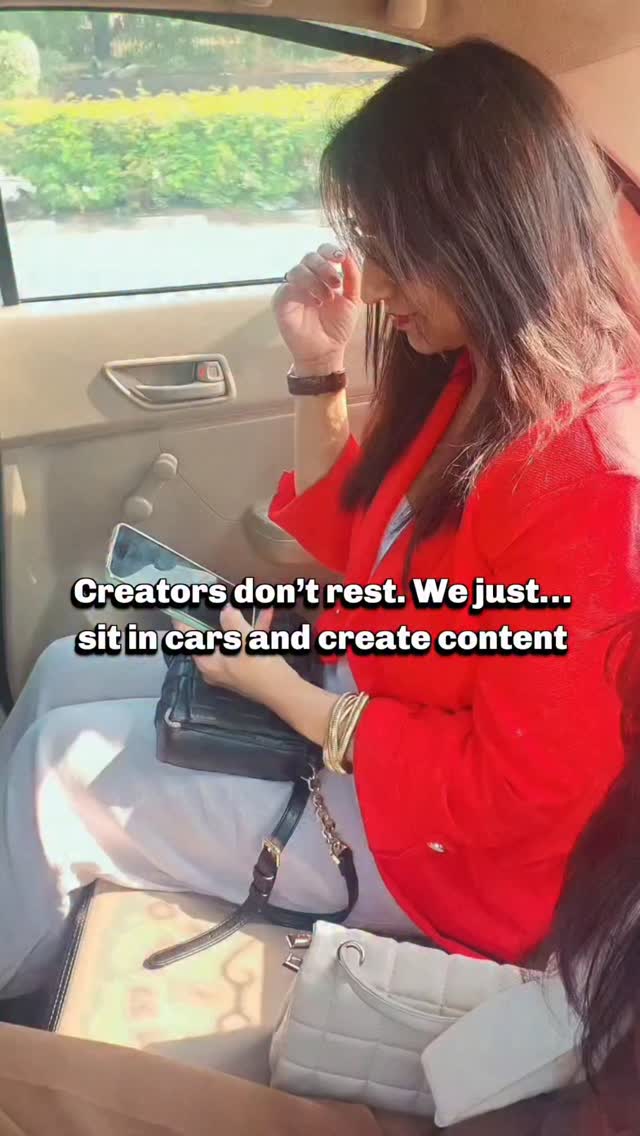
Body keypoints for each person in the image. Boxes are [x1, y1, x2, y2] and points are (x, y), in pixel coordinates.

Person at [1, 36, 640, 998]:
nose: (373, 285)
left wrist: (293, 699)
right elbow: (366, 548)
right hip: (363, 696)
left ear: (487, 232)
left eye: (395, 253)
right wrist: (316, 366)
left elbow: (519, 795)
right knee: (62, 669)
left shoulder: (594, 479)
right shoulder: (478, 373)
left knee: (60, 780)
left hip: (443, 856)